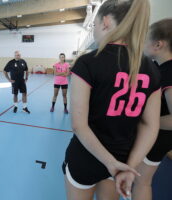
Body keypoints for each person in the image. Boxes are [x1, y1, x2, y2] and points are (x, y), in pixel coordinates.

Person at [62, 0, 161, 199]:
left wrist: (109, 163)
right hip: (122, 160)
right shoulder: (151, 68)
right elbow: (151, 126)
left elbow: (79, 125)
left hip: (86, 157)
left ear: (105, 21)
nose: (95, 30)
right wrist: (127, 167)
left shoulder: (88, 62)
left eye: (94, 25)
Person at [132, 18, 172, 200]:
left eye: (146, 39)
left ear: (158, 44)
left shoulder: (168, 73)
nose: (143, 44)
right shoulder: (159, 68)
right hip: (158, 137)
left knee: (142, 182)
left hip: (158, 138)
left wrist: (142, 120)